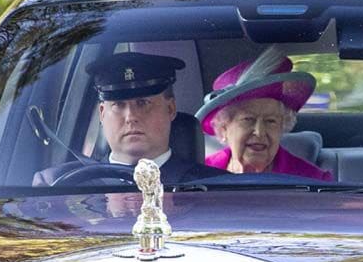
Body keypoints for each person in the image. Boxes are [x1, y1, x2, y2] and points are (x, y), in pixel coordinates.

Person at [33, 52, 226, 186]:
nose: (131, 117)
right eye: (118, 105)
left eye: (143, 103)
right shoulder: (56, 185)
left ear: (170, 108)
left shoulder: (217, 189)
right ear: (102, 113)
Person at [197, 49, 332, 181]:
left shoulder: (313, 180)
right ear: (224, 128)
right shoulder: (198, 175)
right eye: (248, 119)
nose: (260, 132)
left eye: (270, 121)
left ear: (282, 127)